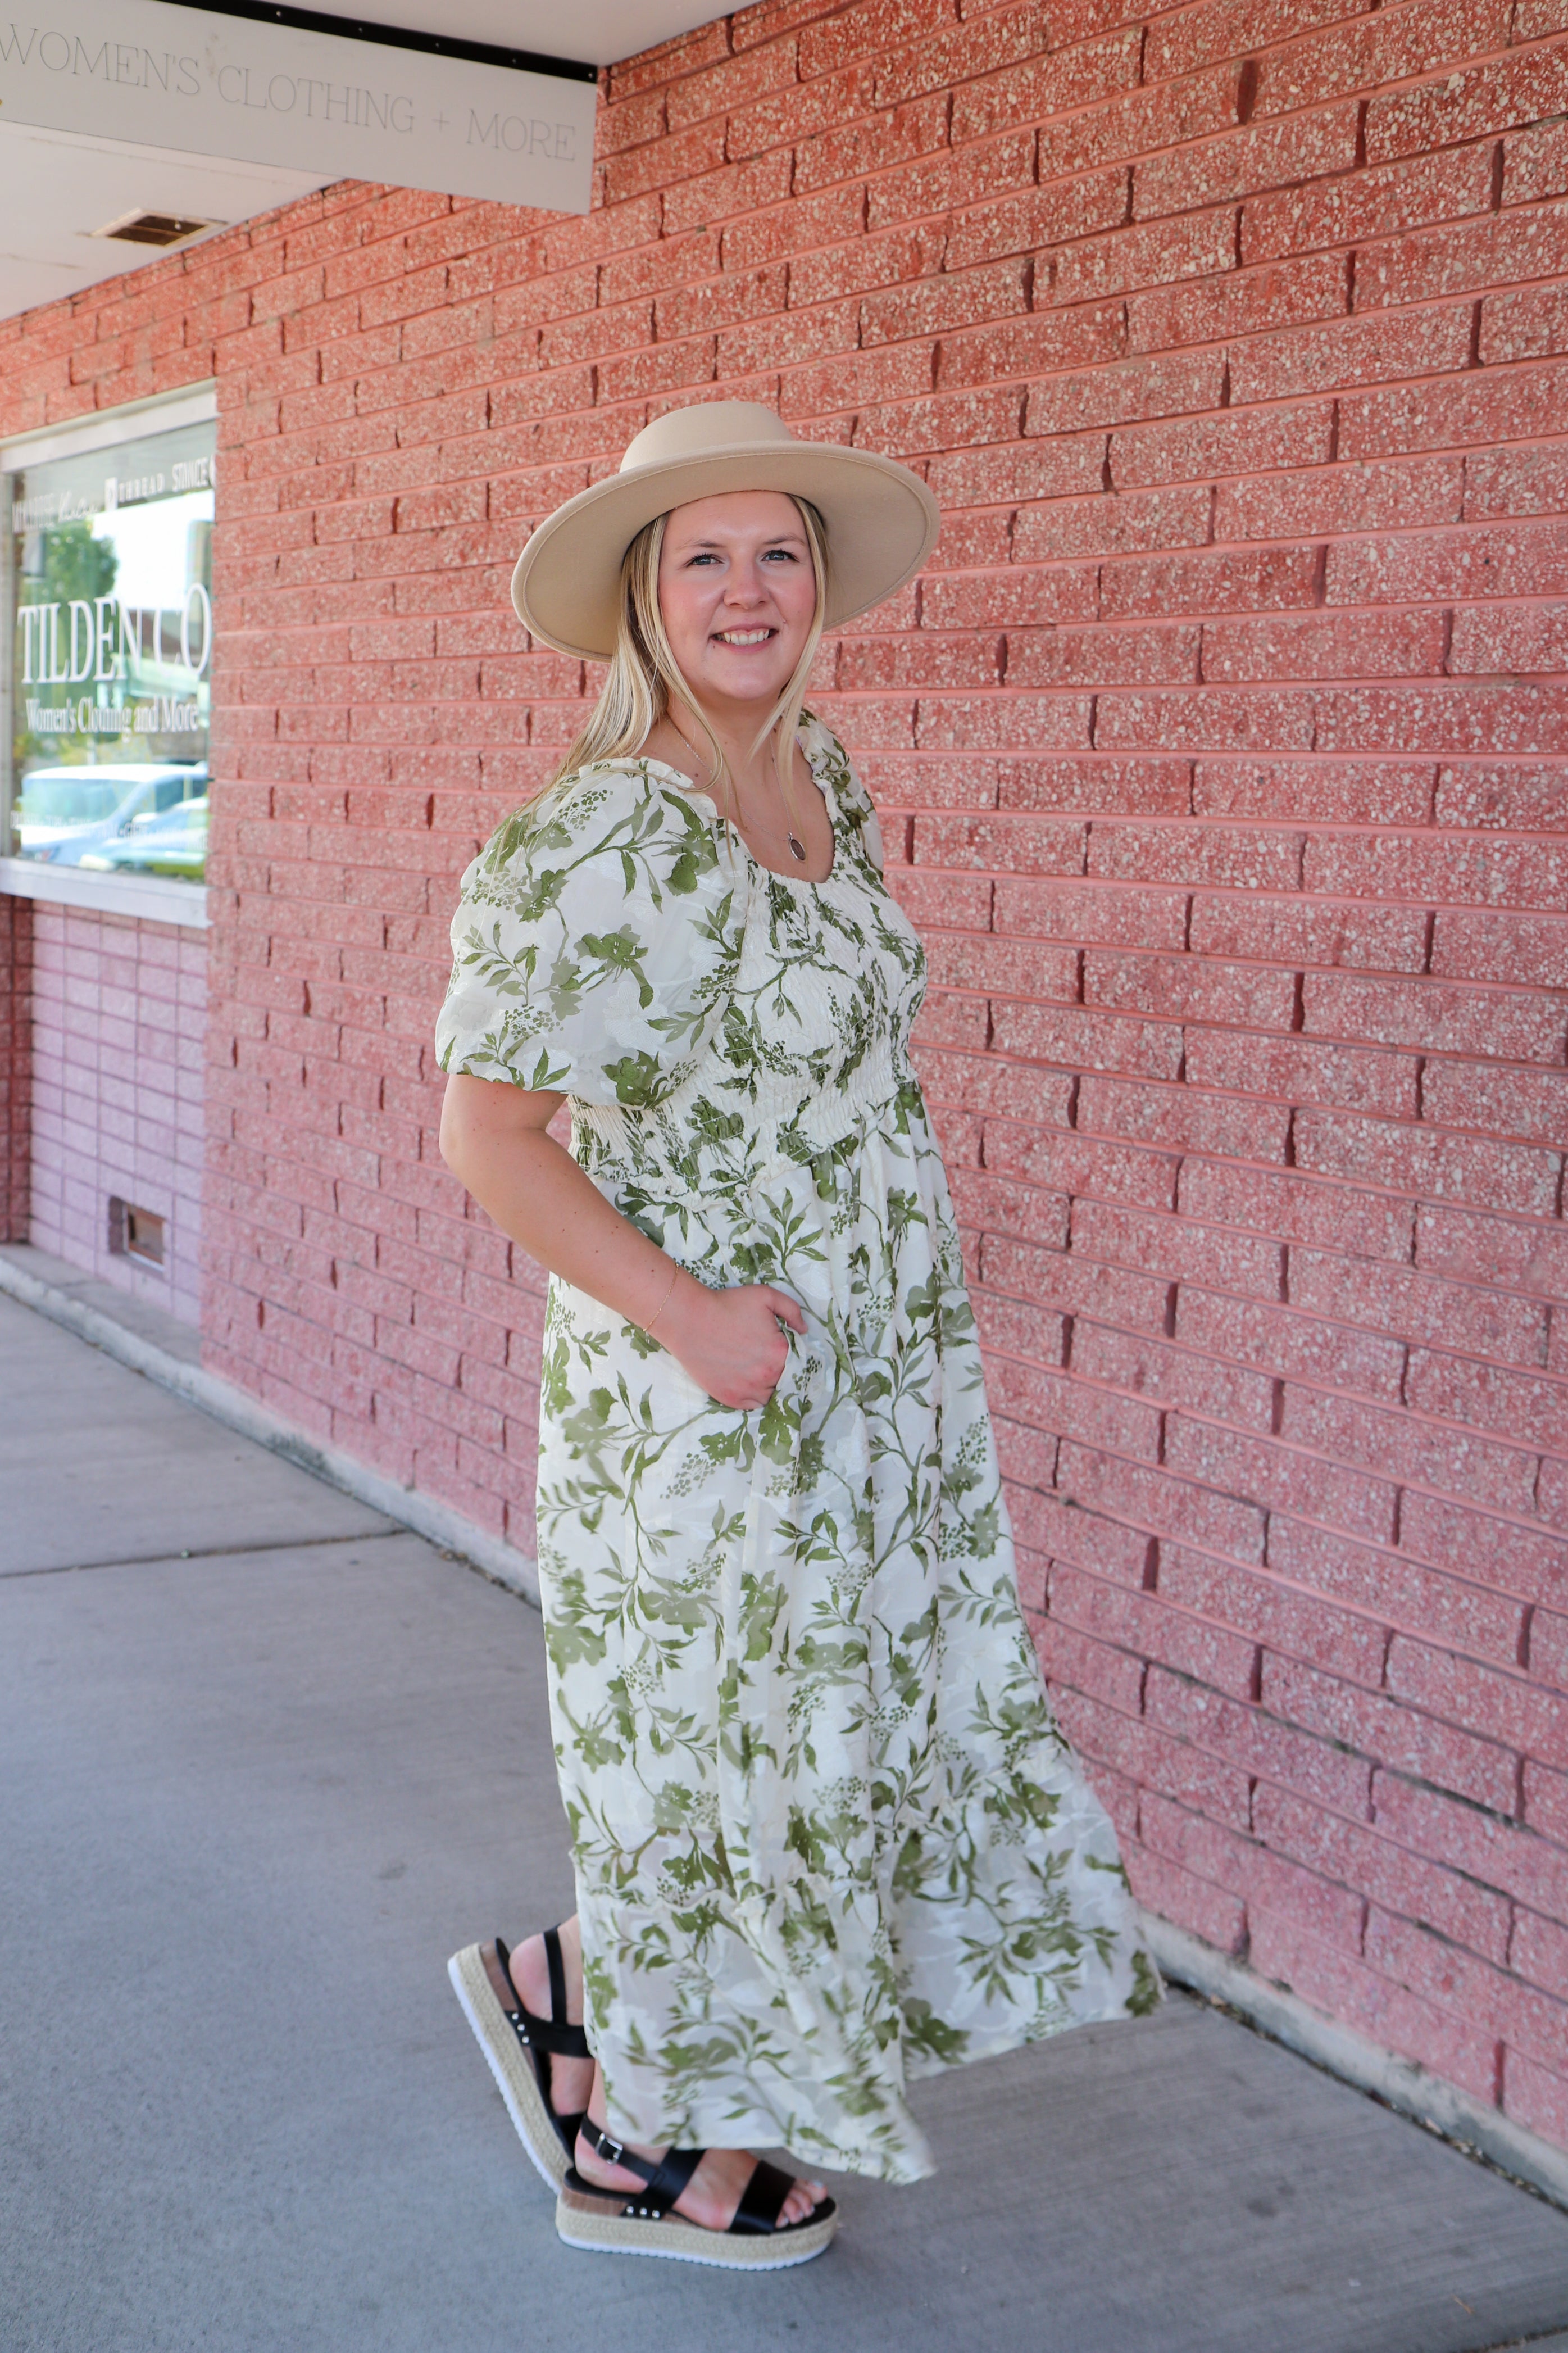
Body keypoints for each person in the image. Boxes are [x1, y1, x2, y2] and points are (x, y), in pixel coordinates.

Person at [435, 401, 1158, 2272]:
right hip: (702, 1392)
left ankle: (569, 1979)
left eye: (778, 553)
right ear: (642, 602)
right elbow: (487, 1133)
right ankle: (628, 2142)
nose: (747, 588)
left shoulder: (819, 773)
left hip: (870, 1383)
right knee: (717, 1751)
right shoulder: (592, 835)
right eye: (703, 556)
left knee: (829, 1748)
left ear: (817, 587)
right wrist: (691, 1318)